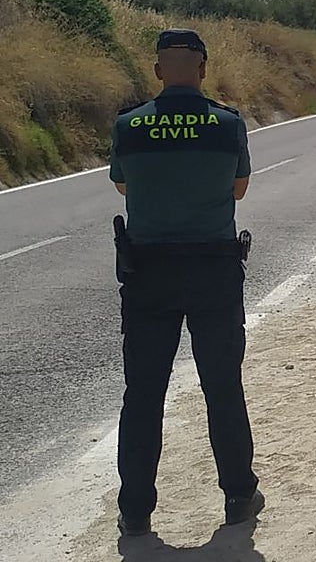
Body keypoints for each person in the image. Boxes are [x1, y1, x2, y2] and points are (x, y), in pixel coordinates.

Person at [109, 28, 265, 537]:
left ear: (157, 71)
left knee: (143, 393)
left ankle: (135, 509)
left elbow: (123, 184)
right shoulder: (227, 125)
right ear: (203, 69)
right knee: (222, 386)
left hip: (148, 271)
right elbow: (238, 190)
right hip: (213, 269)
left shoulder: (128, 126)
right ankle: (239, 494)